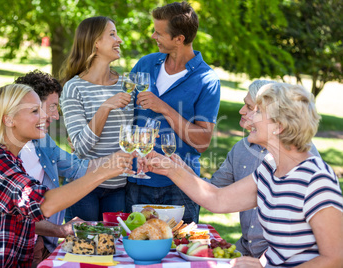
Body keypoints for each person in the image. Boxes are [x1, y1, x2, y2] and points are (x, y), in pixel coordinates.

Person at [145, 82, 343, 267]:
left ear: (279, 126)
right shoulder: (269, 168)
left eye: (258, 112)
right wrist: (171, 169)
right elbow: (217, 199)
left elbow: (336, 258)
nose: (248, 117)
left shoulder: (316, 179)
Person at [0, 84, 133, 267]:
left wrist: (60, 229)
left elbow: (22, 212)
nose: (45, 116)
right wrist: (103, 173)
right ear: (9, 120)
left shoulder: (11, 159)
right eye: (35, 111)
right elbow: (45, 204)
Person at [126, 1, 221, 223]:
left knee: (180, 250)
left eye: (159, 33)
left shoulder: (207, 80)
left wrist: (163, 108)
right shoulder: (145, 64)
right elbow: (123, 113)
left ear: (179, 39)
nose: (152, 36)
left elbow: (202, 142)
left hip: (180, 185)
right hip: (137, 178)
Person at [208, 79, 320, 258]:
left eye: (254, 109)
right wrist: (176, 170)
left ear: (279, 123)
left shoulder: (308, 169)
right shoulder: (262, 163)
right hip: (248, 252)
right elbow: (216, 196)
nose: (243, 112)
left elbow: (329, 253)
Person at [59, 16, 133, 222]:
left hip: (119, 187)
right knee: (83, 250)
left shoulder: (126, 85)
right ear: (95, 43)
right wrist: (106, 107)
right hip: (84, 186)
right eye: (112, 34)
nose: (119, 40)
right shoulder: (74, 88)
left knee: (115, 250)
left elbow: (132, 137)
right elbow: (81, 147)